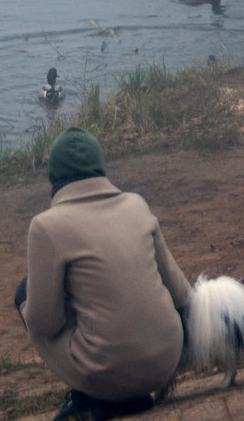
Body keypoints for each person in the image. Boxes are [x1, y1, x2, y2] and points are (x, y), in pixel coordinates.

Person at [14, 128, 192, 419]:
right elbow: (182, 294)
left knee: (26, 292)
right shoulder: (137, 204)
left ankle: (94, 398)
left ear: (53, 177)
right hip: (165, 362)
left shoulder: (46, 226)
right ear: (100, 169)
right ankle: (128, 394)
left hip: (107, 373)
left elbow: (45, 325)